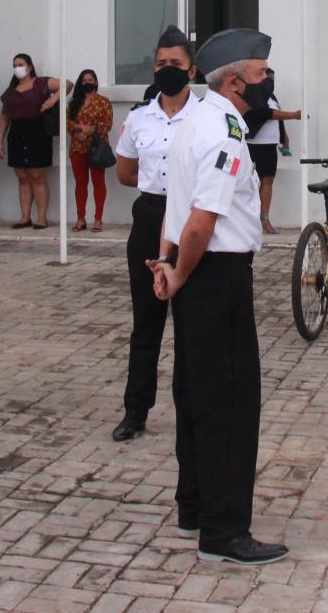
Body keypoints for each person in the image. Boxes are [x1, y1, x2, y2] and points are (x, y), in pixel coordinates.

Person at [146, 28, 288, 567]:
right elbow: (202, 219)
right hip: (215, 273)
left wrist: (166, 260)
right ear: (234, 80)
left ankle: (195, 507)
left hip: (190, 268)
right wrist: (179, 272)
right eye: (260, 75)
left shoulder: (194, 119)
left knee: (196, 394)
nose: (266, 83)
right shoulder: (227, 131)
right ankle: (224, 533)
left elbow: (173, 203)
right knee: (230, 404)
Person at [110, 26, 199, 442]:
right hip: (149, 217)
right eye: (161, 64)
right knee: (146, 322)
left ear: (192, 70)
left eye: (176, 65)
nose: (168, 71)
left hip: (191, 220)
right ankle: (135, 409)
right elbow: (127, 171)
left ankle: (191, 410)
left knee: (190, 322)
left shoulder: (205, 117)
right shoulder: (138, 117)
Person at [0, 53, 61, 229]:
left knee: (37, 176)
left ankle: (41, 217)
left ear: (30, 66)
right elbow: (4, 117)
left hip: (37, 133)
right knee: (22, 176)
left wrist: (53, 100)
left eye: (21, 64)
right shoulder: (11, 91)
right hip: (17, 133)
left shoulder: (41, 83)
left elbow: (66, 84)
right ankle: (25, 216)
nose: (18, 68)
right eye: (15, 65)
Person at [242, 67, 302, 235]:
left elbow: (277, 120)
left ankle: (264, 218)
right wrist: (293, 115)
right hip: (253, 144)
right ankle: (248, 219)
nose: (270, 83)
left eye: (272, 79)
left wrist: (284, 138)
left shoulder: (272, 97)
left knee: (267, 180)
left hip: (269, 145)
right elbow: (266, 114)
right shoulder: (252, 96)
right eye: (268, 79)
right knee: (249, 181)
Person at [67, 68, 114, 231]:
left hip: (97, 148)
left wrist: (89, 130)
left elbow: (107, 124)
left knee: (98, 182)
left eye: (90, 79)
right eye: (84, 80)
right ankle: (81, 218)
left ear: (95, 81)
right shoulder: (74, 102)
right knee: (80, 184)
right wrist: (79, 128)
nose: (87, 82)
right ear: (81, 83)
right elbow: (67, 122)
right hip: (77, 148)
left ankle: (98, 219)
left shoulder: (104, 101)